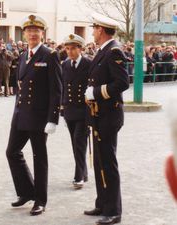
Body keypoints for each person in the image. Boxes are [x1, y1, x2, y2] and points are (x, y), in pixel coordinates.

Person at [6, 15, 62, 216]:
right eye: (29, 31)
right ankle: (26, 191)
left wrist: (53, 118)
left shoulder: (50, 55)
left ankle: (40, 200)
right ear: (24, 33)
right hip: (21, 114)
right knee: (12, 152)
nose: (32, 34)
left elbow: (56, 90)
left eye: (36, 31)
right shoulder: (23, 55)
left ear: (42, 33)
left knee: (40, 158)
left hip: (39, 116)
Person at [84, 13, 129, 225]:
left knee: (108, 163)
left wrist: (97, 92)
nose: (92, 32)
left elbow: (122, 83)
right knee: (100, 160)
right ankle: (102, 202)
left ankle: (114, 210)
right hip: (99, 115)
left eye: (93, 28)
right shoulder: (103, 51)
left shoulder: (114, 51)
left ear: (101, 30)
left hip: (109, 115)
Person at [61, 34, 91, 190]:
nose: (70, 52)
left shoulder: (88, 64)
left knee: (79, 141)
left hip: (84, 110)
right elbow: (63, 88)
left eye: (73, 48)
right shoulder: (65, 64)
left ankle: (78, 176)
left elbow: (92, 88)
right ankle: (84, 172)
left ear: (81, 49)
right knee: (75, 143)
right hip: (69, 110)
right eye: (67, 49)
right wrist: (61, 107)